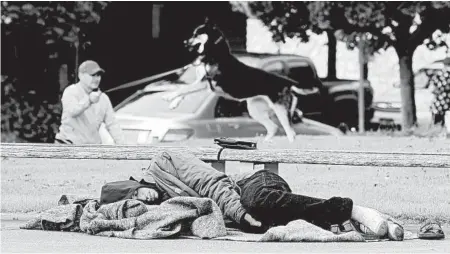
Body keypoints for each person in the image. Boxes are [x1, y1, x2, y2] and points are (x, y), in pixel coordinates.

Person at [99, 151, 403, 240]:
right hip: (239, 207)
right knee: (263, 222)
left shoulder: (165, 162)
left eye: (140, 194)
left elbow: (214, 184)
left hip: (252, 183)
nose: (145, 201)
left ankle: (351, 209)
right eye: (137, 203)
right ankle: (339, 223)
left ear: (136, 183)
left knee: (257, 205)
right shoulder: (164, 204)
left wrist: (240, 213)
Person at [54, 60, 125, 144]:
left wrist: (123, 146)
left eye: (98, 75)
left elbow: (112, 124)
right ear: (81, 75)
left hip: (90, 148)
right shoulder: (71, 91)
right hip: (67, 144)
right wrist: (89, 100)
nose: (96, 79)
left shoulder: (103, 98)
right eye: (92, 75)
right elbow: (72, 111)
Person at [427, 59, 450, 137]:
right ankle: (441, 133)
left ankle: (439, 133)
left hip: (439, 102)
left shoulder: (438, 74)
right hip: (443, 101)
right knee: (442, 117)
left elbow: (432, 88)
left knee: (439, 118)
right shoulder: (441, 75)